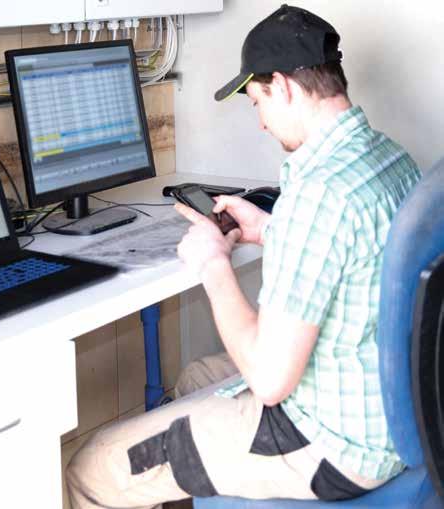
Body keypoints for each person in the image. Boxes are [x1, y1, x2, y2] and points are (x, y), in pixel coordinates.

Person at [66, 4, 422, 507]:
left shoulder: (318, 193)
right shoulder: (387, 158)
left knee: (91, 468)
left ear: (284, 87)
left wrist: (214, 264)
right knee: (193, 379)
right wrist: (271, 231)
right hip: (394, 412)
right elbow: (363, 253)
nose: (260, 123)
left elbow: (270, 379)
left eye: (257, 102)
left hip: (332, 446)